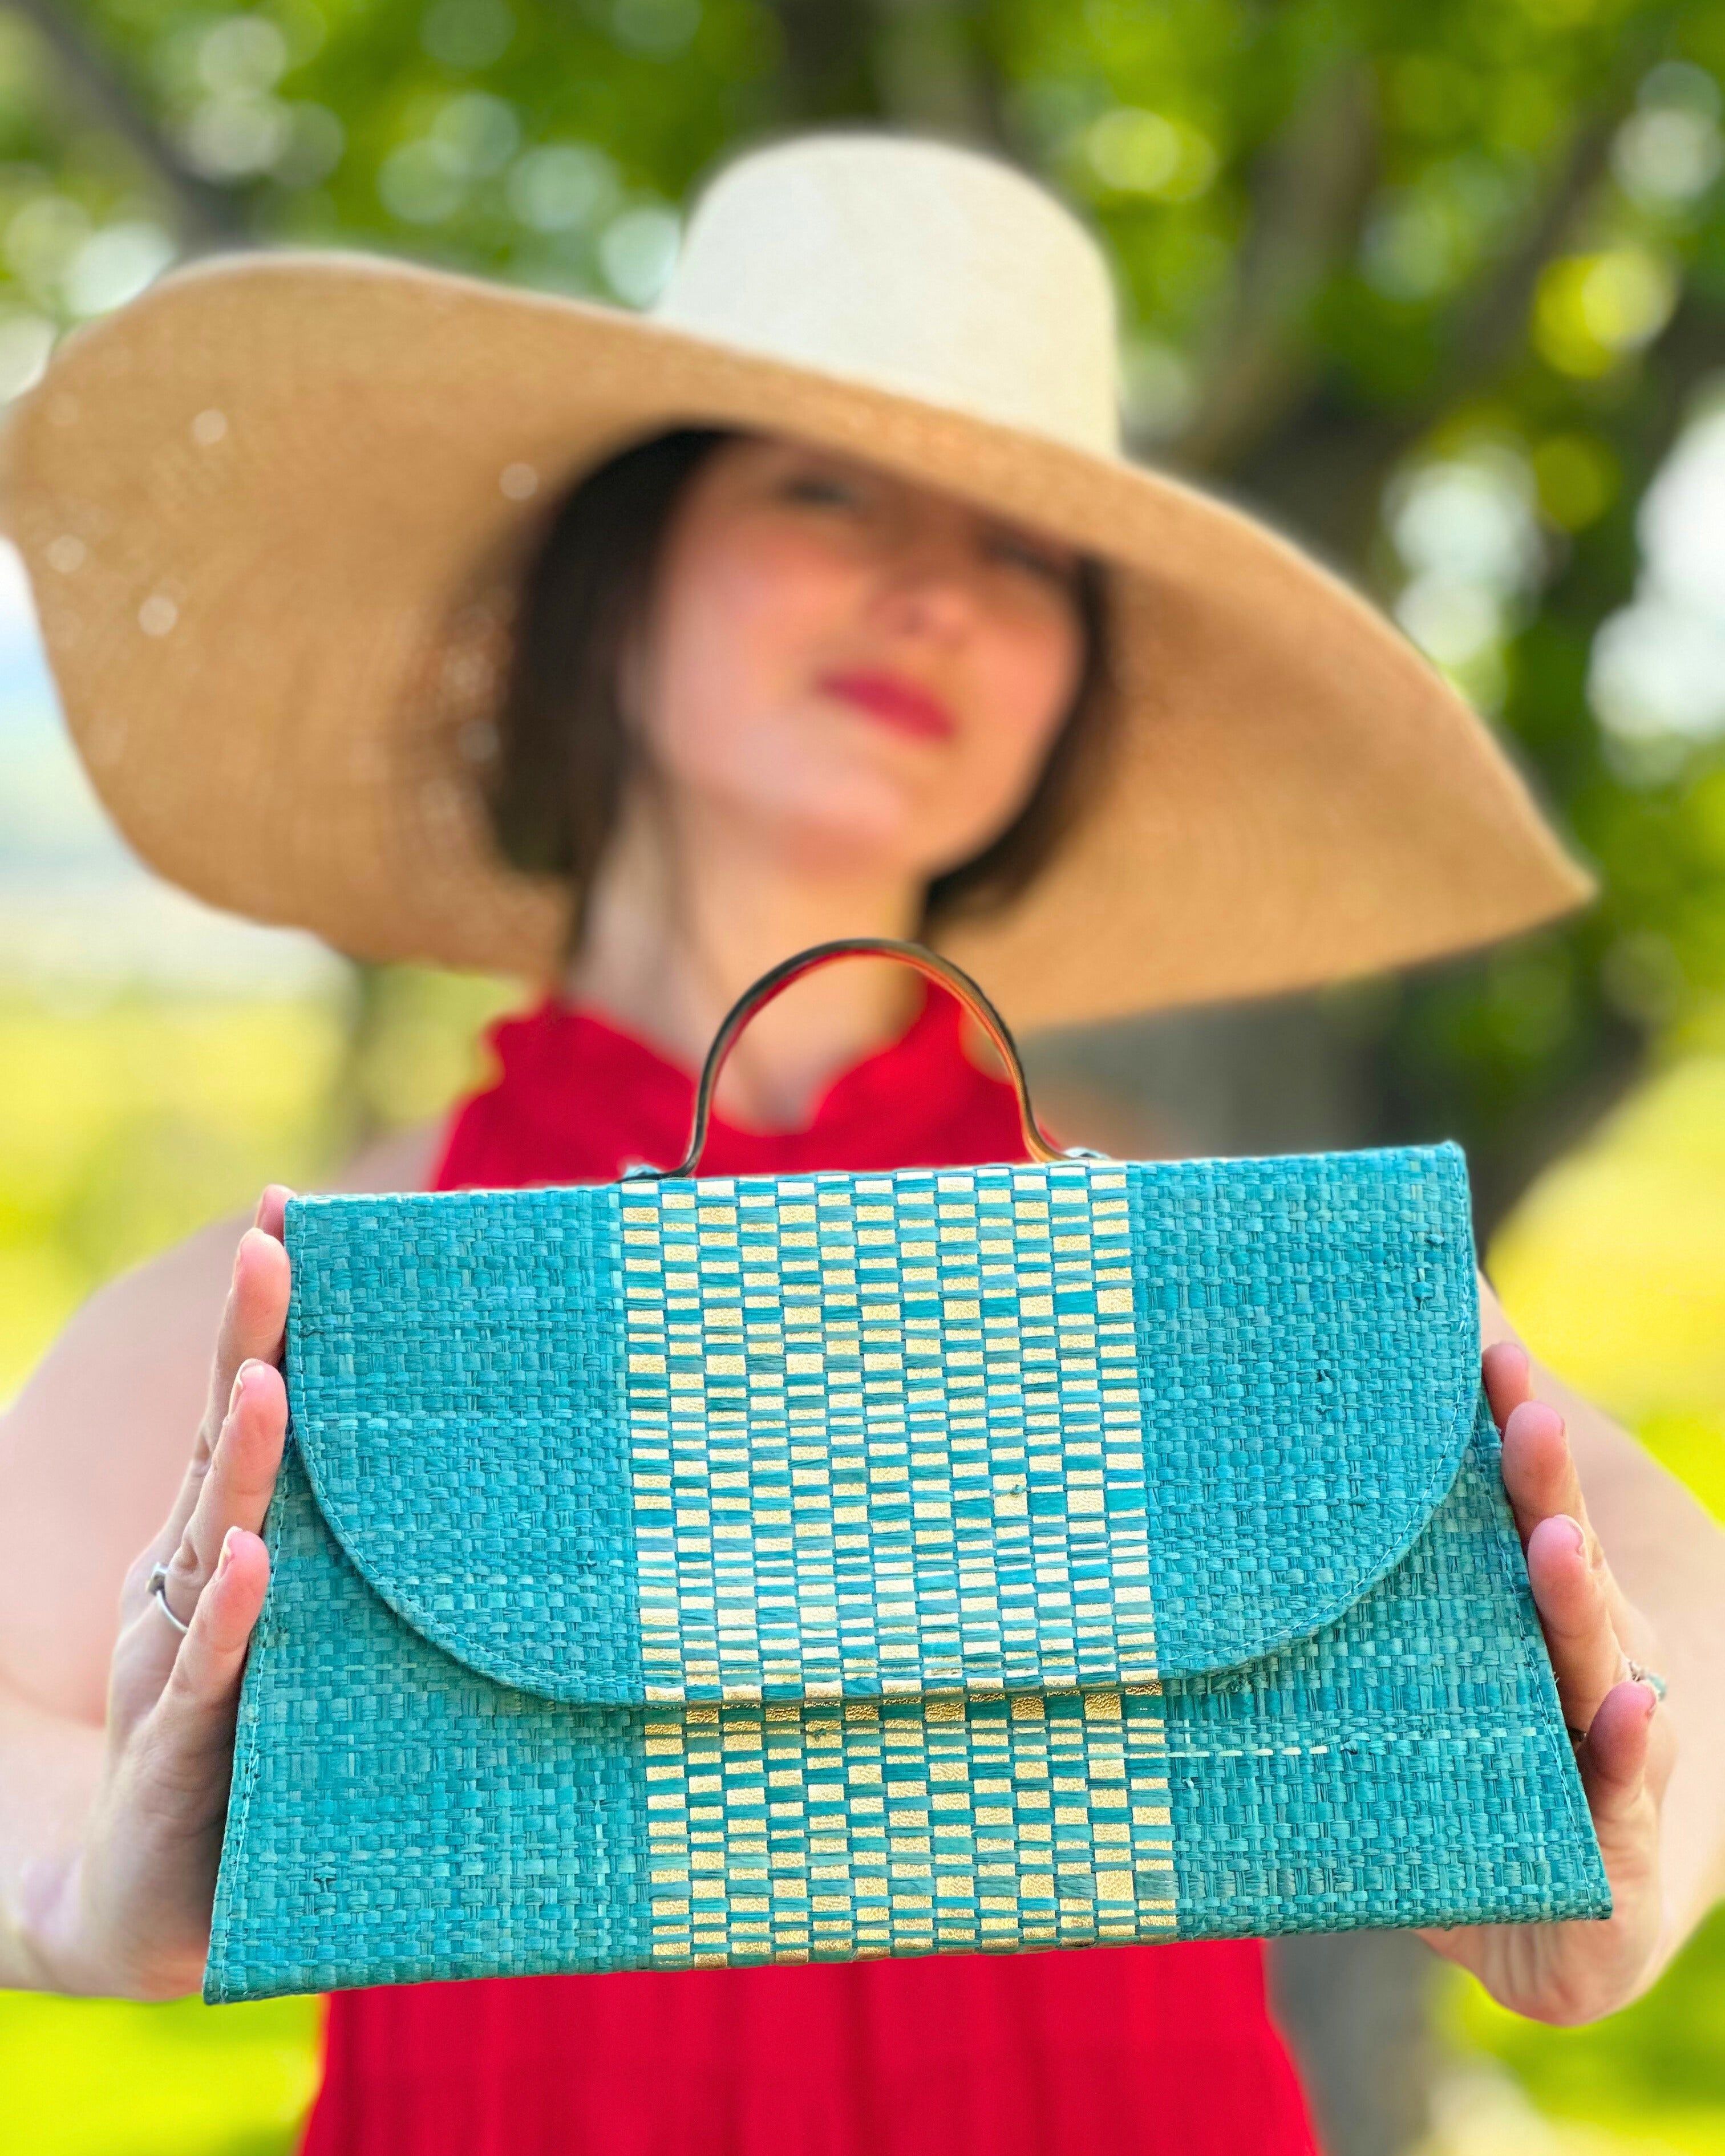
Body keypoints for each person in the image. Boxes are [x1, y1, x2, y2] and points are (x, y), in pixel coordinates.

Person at [1, 131, 1721, 2156]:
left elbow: (1667, 1579)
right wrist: (79, 1887)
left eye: (1025, 550)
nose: (934, 588)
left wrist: (1629, 1869)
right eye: (824, 488)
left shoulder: (1181, 1258)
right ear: (615, 577)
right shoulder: (332, 1288)